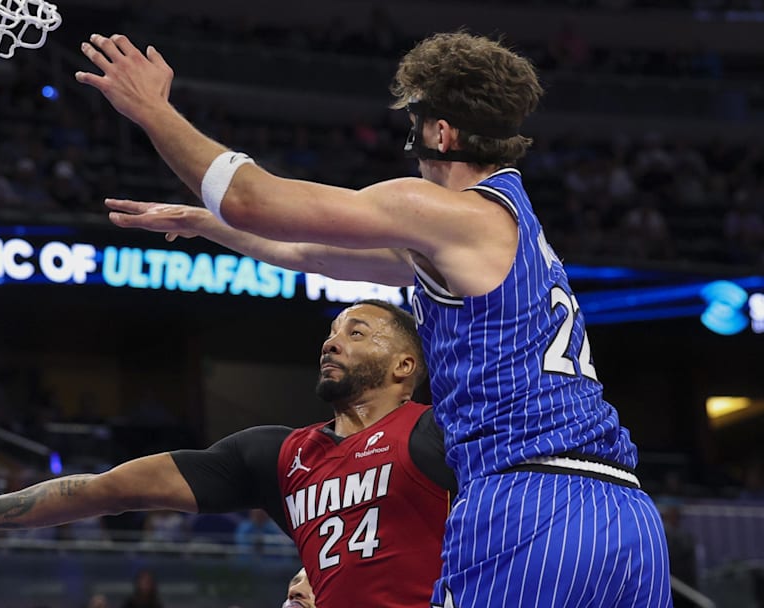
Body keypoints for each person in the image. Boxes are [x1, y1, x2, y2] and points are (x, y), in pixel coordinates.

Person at [77, 31, 670, 607]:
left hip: (527, 500)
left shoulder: (447, 211)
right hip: (626, 513)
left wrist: (153, 110)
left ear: (440, 131)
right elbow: (311, 252)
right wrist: (208, 225)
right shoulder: (510, 231)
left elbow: (252, 199)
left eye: (414, 120)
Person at [0, 300, 455, 608]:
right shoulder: (280, 455)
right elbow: (108, 490)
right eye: (332, 331)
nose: (331, 341)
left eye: (357, 333)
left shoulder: (437, 431)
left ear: (404, 366)